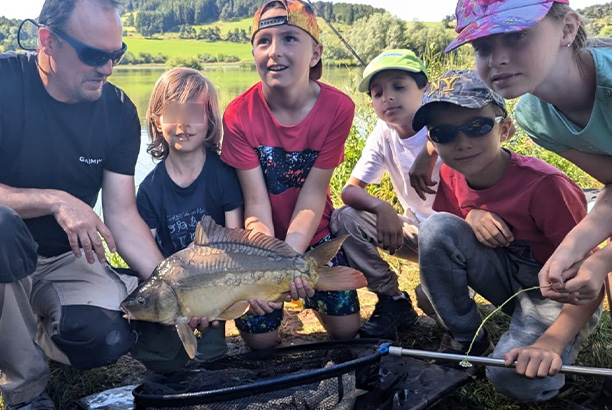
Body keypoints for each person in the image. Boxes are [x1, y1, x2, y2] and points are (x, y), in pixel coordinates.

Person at [443, 0, 612, 404]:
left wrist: (601, 258)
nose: (497, 60)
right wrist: (574, 248)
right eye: (483, 47)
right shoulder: (535, 115)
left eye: (516, 37)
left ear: (568, 29)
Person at [0, 0, 165, 409]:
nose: (107, 68)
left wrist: (171, 284)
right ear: (47, 41)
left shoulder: (119, 110)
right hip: (3, 252)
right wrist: (56, 201)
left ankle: (22, 333)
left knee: (105, 338)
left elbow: (123, 216)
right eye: (93, 55)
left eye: (117, 54)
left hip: (66, 259)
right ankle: (24, 391)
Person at [413, 70, 601, 402]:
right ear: (433, 141)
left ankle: (556, 372)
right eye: (443, 133)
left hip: (559, 295)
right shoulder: (451, 170)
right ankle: (467, 339)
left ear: (506, 128)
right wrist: (472, 214)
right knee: (435, 228)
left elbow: (591, 280)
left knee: (509, 375)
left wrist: (553, 341)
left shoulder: (546, 187)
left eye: (477, 127)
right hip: (509, 277)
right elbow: (449, 233)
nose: (462, 143)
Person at [221, 0, 360, 350]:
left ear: (315, 53)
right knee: (261, 342)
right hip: (258, 245)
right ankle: (285, 306)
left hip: (311, 238)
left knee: (346, 332)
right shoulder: (238, 114)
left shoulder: (338, 108)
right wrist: (272, 266)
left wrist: (293, 262)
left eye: (289, 38)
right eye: (263, 40)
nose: (274, 51)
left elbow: (314, 194)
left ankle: (309, 299)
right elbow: (255, 202)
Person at [129, 68, 243, 370]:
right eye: (173, 113)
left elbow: (236, 243)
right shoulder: (150, 189)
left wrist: (216, 300)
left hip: (217, 279)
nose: (183, 123)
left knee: (212, 357)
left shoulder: (224, 175)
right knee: (166, 361)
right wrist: (175, 299)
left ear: (209, 121)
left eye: (194, 113)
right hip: (173, 288)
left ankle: (210, 338)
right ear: (156, 120)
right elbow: (146, 258)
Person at [330, 49, 441, 340]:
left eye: (399, 87)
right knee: (345, 219)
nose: (388, 97)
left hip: (461, 238)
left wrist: (430, 150)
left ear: (424, 88)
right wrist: (382, 207)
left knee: (431, 299)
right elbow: (349, 190)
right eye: (378, 93)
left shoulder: (446, 120)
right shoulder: (383, 132)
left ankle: (463, 319)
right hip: (418, 231)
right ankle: (392, 299)